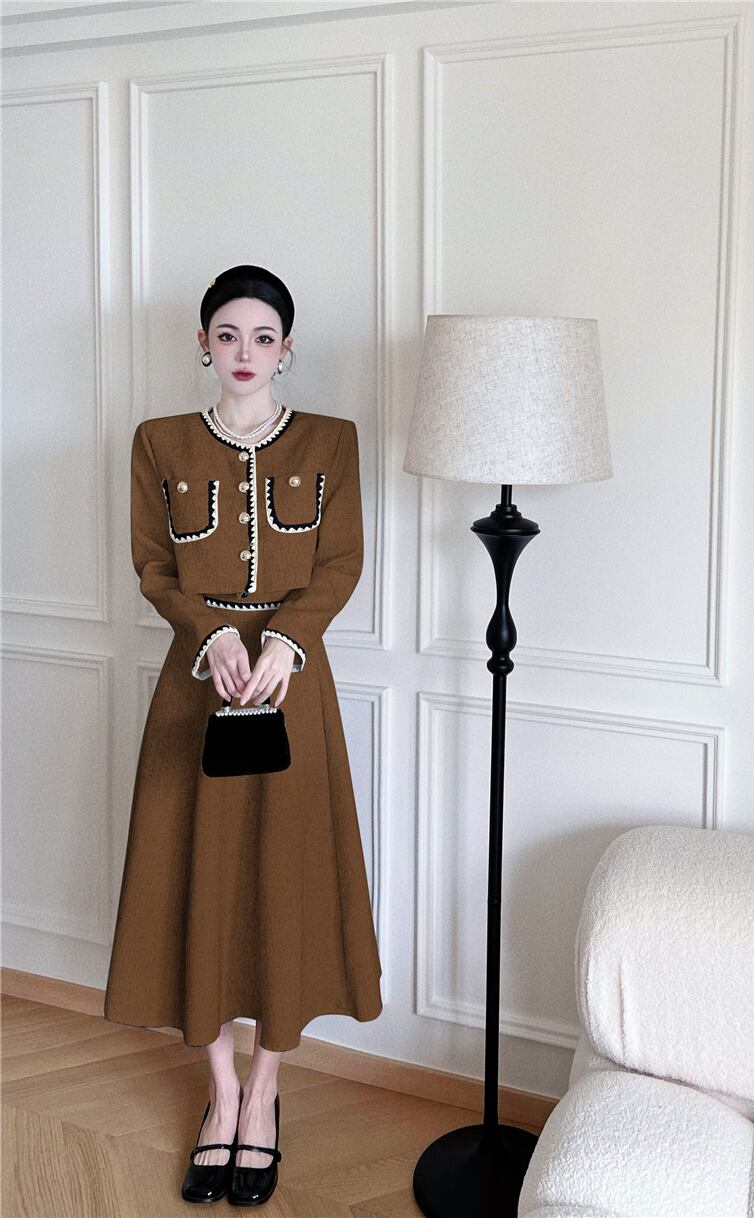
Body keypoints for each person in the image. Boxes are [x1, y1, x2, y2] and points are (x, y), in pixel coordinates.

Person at [103, 265, 383, 1206]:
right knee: (198, 877)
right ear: (203, 344)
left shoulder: (333, 441)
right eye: (228, 335)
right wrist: (213, 635)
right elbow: (154, 564)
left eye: (264, 337)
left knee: (282, 881)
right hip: (198, 687)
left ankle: (265, 1095)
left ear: (286, 348)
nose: (245, 352)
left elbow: (339, 563)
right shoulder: (159, 442)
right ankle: (219, 1096)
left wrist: (285, 643)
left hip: (291, 689)